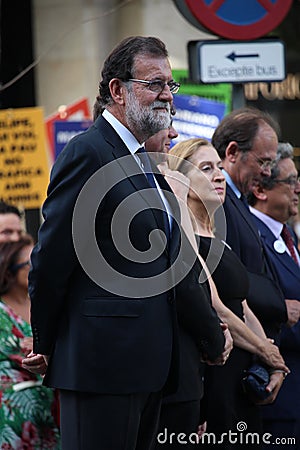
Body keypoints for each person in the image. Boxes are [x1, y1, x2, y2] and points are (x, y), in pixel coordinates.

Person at [22, 36, 228, 450]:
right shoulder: (88, 152)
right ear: (118, 90)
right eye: (154, 84)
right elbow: (51, 258)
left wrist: (208, 333)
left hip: (151, 368)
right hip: (102, 366)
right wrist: (45, 341)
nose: (167, 96)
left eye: (171, 85)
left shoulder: (147, 160)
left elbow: (172, 266)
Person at [165, 138, 289, 448]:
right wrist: (264, 350)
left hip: (243, 377)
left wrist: (271, 361)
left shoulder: (218, 234)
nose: (220, 175)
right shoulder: (185, 237)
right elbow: (216, 305)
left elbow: (243, 306)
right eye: (206, 169)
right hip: (216, 375)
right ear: (181, 180)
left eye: (219, 167)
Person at [212, 107, 300, 343]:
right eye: (263, 162)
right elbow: (228, 277)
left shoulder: (238, 200)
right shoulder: (218, 202)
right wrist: (279, 305)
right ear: (232, 152)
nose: (267, 172)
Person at [248, 142, 300, 447]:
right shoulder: (254, 236)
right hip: (278, 394)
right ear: (261, 190)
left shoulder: (286, 233)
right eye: (290, 181)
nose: (297, 189)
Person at [0, 234, 61, 449]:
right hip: (14, 416)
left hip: (51, 409)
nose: (38, 267)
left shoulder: (45, 304)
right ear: (9, 271)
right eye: (29, 263)